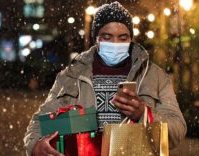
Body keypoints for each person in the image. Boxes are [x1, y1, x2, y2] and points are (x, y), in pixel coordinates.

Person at [23, 1, 187, 156]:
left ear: (131, 39)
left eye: (123, 38)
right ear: (97, 39)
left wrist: (144, 114)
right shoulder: (72, 75)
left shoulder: (154, 76)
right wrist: (35, 146)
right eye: (107, 37)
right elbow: (39, 123)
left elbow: (177, 130)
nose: (115, 43)